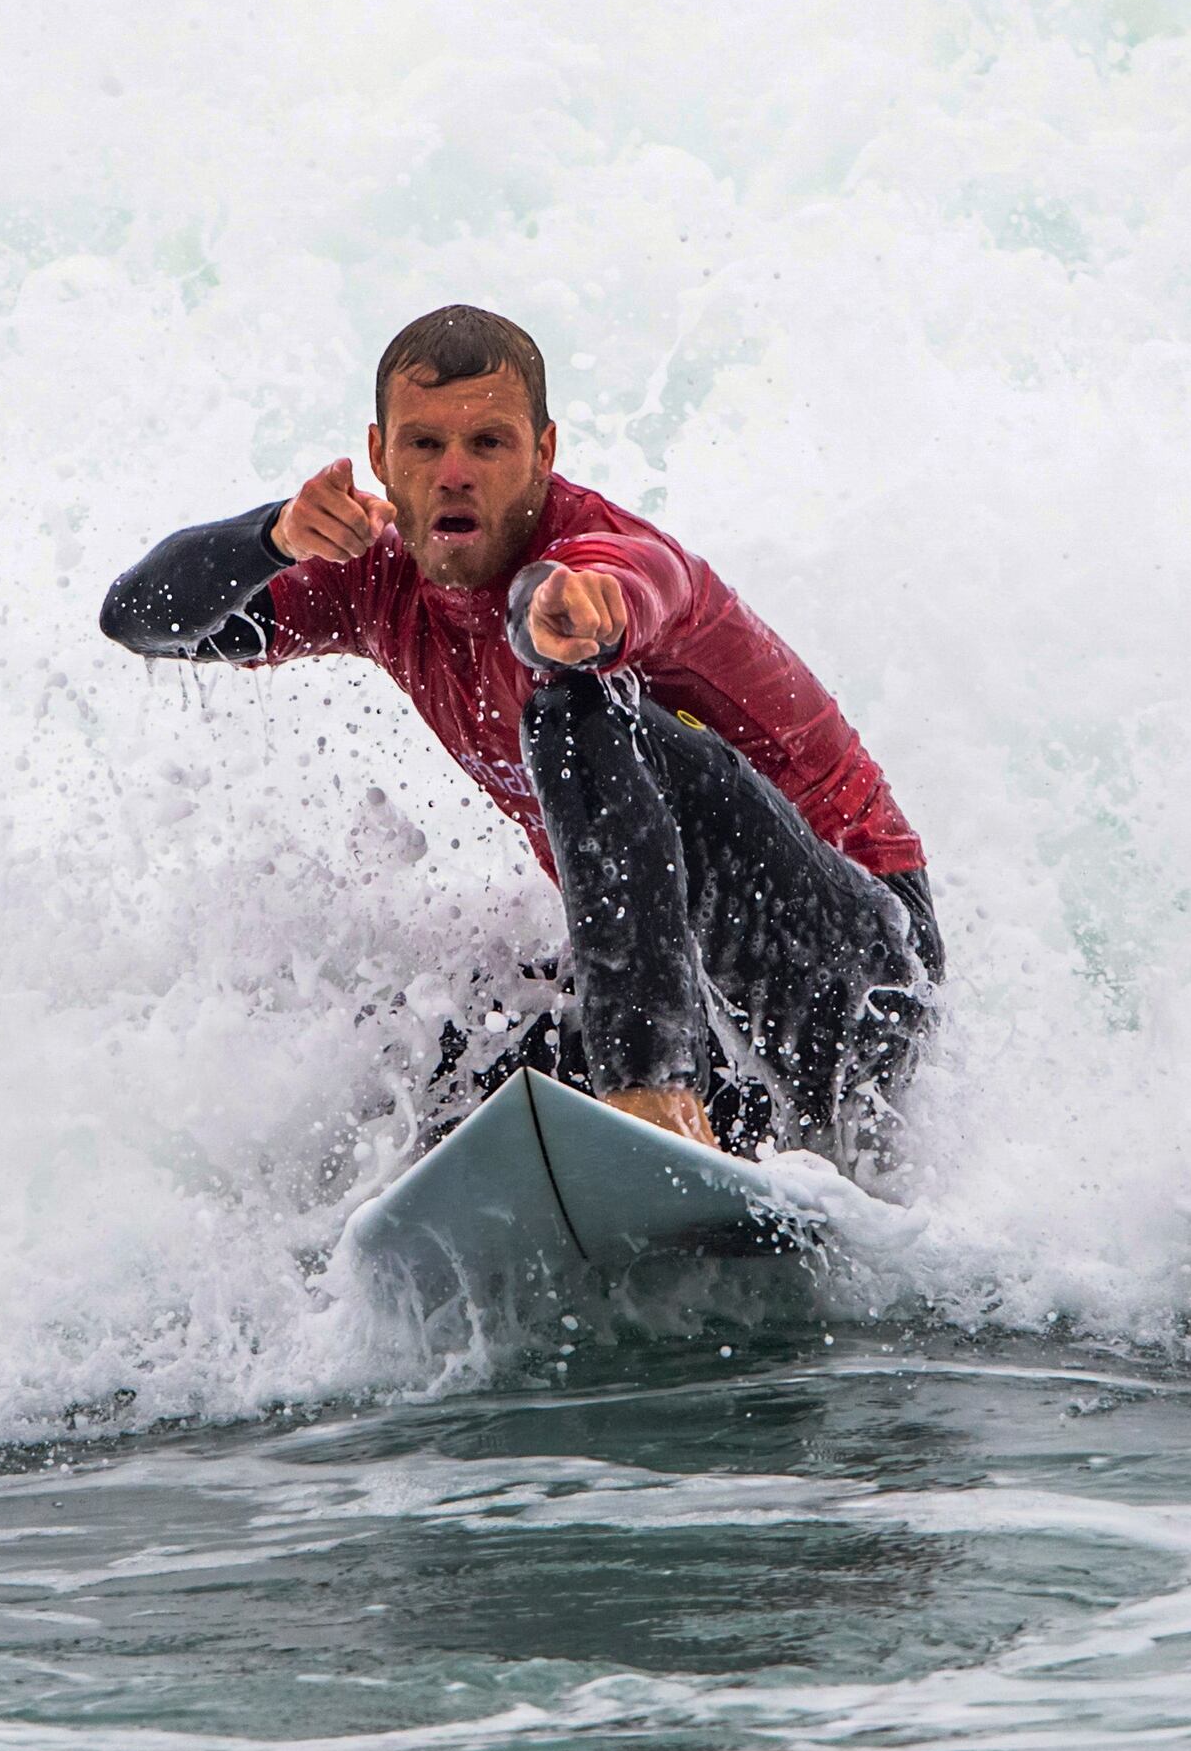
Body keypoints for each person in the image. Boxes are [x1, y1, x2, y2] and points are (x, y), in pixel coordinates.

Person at [100, 305, 939, 1160]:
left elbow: (632, 591)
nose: (454, 473)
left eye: (489, 444)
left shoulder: (606, 554)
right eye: (425, 446)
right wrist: (273, 537)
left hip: (854, 980)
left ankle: (655, 1108)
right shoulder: (377, 573)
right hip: (699, 1008)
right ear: (381, 455)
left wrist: (581, 622)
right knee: (426, 1075)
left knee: (573, 711)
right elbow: (137, 619)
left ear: (543, 452)